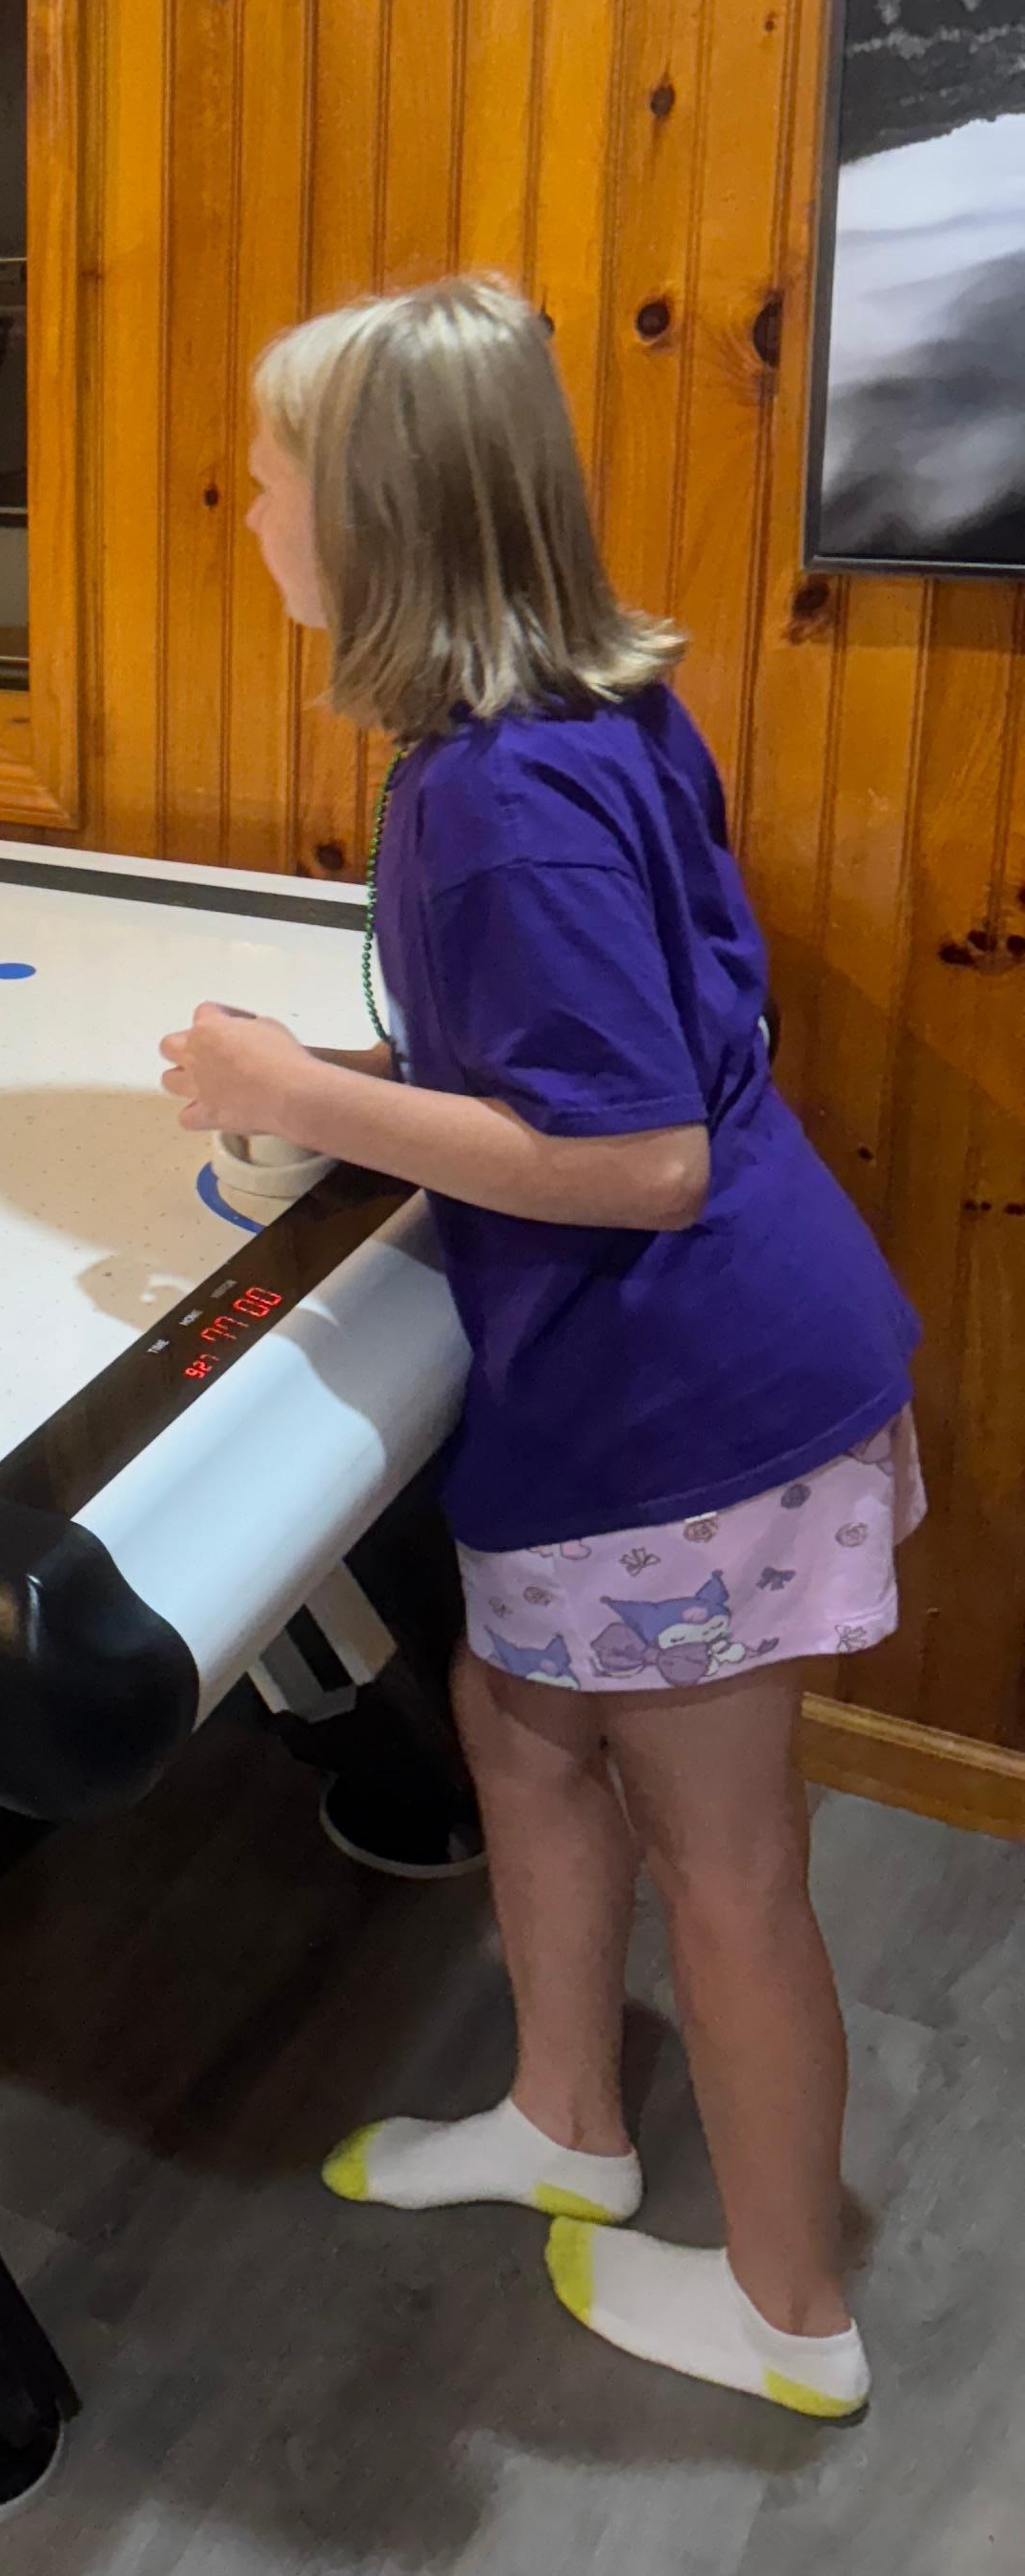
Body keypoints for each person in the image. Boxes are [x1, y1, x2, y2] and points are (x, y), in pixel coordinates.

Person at [159, 273, 916, 2424]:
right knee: (510, 1723)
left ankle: (792, 2315)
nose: (251, 507)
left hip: (693, 1407)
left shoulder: (494, 800)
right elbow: (600, 1043)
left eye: (275, 475)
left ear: (382, 520)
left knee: (732, 1866)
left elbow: (644, 1154)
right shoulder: (583, 713)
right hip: (685, 1389)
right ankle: (567, 2115)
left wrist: (296, 1097)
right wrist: (347, 1069)